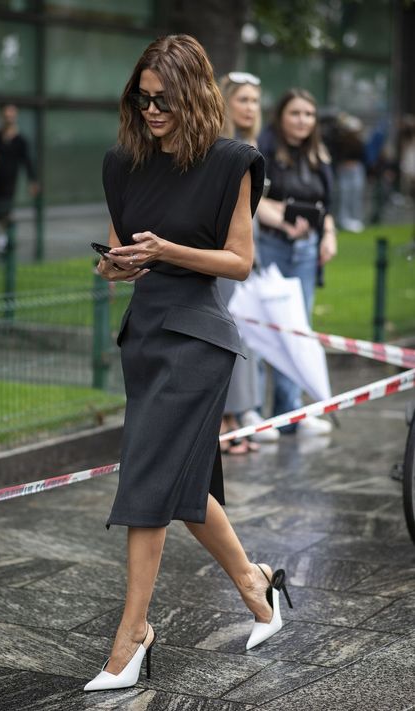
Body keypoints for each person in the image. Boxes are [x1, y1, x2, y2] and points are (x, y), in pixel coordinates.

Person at [84, 35, 292, 693]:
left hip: (198, 338)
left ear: (194, 94)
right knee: (182, 485)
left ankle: (133, 636)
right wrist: (115, 264)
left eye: (163, 100)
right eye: (142, 99)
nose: (151, 111)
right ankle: (256, 585)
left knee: (147, 478)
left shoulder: (233, 161)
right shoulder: (123, 164)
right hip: (144, 335)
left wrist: (169, 249)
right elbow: (117, 257)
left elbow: (238, 260)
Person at [257, 88, 337, 435]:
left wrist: (328, 235)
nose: (303, 120)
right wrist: (284, 220)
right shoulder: (265, 149)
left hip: (307, 250)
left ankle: (290, 412)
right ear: (281, 116)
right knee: (263, 328)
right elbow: (251, 200)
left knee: (297, 331)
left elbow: (327, 206)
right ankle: (255, 414)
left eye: (308, 114)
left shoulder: (318, 154)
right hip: (271, 245)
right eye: (295, 113)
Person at [218, 71, 279, 450]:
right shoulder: (221, 146)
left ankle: (236, 417)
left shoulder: (251, 144)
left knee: (245, 339)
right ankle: (224, 422)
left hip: (248, 254)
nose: (250, 107)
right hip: (224, 252)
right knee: (228, 335)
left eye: (255, 101)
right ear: (225, 102)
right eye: (242, 99)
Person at [0, 103, 39, 255]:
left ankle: (5, 243)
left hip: (10, 182)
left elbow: (27, 162)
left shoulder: (20, 140)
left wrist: (32, 181)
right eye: (6, 115)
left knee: (6, 213)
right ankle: (4, 240)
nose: (9, 118)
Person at [333, 112, 366, 232]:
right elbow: (337, 154)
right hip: (343, 170)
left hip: (356, 169)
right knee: (344, 196)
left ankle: (356, 220)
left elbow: (363, 155)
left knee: (356, 195)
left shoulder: (359, 141)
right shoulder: (340, 140)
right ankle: (343, 220)